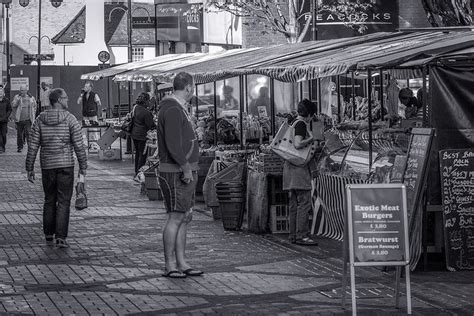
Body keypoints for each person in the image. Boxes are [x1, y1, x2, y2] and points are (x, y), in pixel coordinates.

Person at [26, 88, 87, 248]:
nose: (68, 100)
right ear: (58, 100)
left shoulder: (40, 119)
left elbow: (33, 145)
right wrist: (83, 166)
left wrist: (29, 167)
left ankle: (48, 234)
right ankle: (61, 237)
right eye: (65, 98)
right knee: (64, 201)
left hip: (47, 166)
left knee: (49, 199)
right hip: (66, 165)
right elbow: (79, 145)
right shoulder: (70, 119)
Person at [157, 72, 203, 278]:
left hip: (183, 170)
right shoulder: (173, 109)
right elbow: (173, 143)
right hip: (176, 171)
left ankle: (182, 262)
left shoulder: (176, 108)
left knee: (184, 217)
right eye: (193, 88)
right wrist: (185, 167)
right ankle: (170, 264)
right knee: (176, 217)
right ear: (189, 88)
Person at [282, 99, 319, 246]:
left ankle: (293, 235)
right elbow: (298, 144)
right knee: (303, 203)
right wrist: (312, 138)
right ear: (309, 114)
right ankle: (302, 235)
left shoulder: (293, 123)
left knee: (294, 204)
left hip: (290, 167)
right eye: (312, 115)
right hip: (298, 168)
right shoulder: (301, 124)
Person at [131, 92, 156, 179]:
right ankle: (139, 173)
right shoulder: (146, 112)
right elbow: (151, 125)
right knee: (143, 155)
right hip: (142, 136)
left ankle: (136, 172)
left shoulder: (135, 108)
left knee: (138, 153)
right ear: (146, 101)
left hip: (134, 134)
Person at [77, 81, 102, 150]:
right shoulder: (83, 95)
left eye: (87, 86)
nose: (85, 88)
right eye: (85, 86)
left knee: (94, 130)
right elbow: (78, 102)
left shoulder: (94, 94)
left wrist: (93, 107)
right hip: (85, 114)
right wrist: (81, 94)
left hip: (93, 114)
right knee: (86, 130)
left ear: (90, 87)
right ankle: (88, 144)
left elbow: (99, 103)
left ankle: (95, 144)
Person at [11, 85, 36, 153]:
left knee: (28, 133)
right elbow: (13, 105)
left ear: (26, 91)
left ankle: (30, 147)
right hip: (19, 119)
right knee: (19, 134)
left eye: (23, 90)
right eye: (20, 90)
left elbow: (34, 106)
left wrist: (33, 115)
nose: (21, 92)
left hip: (28, 119)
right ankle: (20, 147)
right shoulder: (17, 97)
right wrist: (17, 100)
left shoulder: (31, 98)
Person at [0, 88, 12, 153]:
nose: (0, 93)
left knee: (4, 135)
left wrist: (6, 116)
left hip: (4, 121)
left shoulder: (6, 100)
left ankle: (3, 146)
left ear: (3, 93)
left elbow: (10, 109)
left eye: (1, 92)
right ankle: (1, 147)